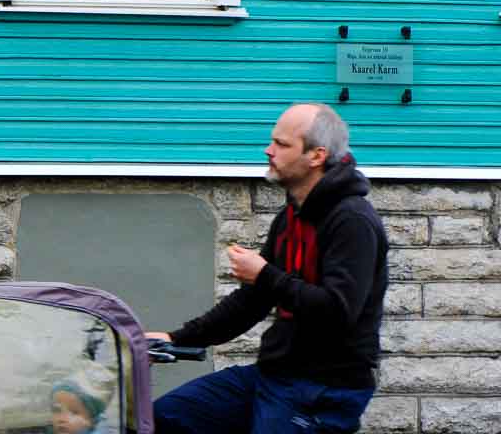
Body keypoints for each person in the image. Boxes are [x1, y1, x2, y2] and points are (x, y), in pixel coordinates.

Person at [148, 103, 388, 433]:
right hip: (274, 376)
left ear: (316, 156)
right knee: (165, 418)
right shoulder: (291, 217)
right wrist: (175, 338)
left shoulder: (352, 222)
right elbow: (252, 302)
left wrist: (264, 274)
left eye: (282, 144)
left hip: (324, 389)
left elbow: (337, 310)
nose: (268, 150)